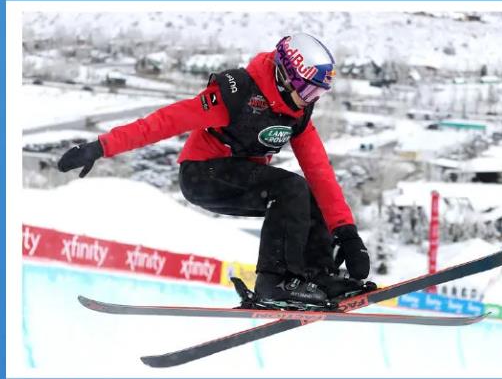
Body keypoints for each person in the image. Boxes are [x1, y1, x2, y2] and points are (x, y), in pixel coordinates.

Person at [57, 33, 370, 307]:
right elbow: (166, 121)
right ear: (285, 76)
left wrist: (346, 233)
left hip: (242, 175)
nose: (309, 101)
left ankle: (318, 276)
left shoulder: (297, 115)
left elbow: (320, 171)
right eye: (308, 91)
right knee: (289, 188)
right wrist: (102, 146)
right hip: (203, 174)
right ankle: (275, 282)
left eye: (317, 95)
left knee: (308, 195)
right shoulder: (236, 94)